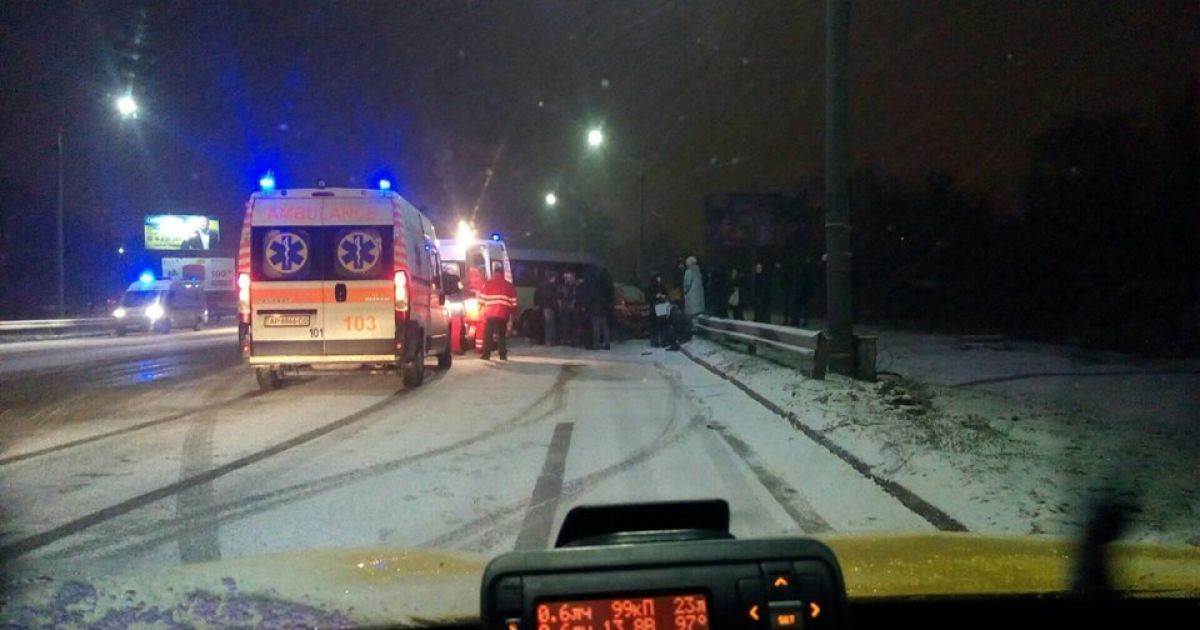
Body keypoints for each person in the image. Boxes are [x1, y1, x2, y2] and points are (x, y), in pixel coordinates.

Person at [479, 262, 517, 360]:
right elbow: (514, 303)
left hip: (489, 314)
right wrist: (512, 316)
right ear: (502, 273)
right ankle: (502, 355)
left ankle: (486, 355)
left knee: (488, 335)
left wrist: (481, 313)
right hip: (503, 314)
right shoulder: (509, 286)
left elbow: (481, 301)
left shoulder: (487, 284)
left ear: (494, 272)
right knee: (501, 336)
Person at [585, 268, 613, 350]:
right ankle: (607, 343)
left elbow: (592, 295)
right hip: (604, 305)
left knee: (596, 325)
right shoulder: (606, 282)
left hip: (596, 305)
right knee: (604, 325)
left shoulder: (595, 282)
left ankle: (596, 344)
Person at [682, 255, 705, 336]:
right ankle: (699, 330)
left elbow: (686, 285)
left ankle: (693, 331)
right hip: (699, 297)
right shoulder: (698, 271)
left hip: (691, 297)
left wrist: (684, 292)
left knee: (691, 316)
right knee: (698, 315)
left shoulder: (688, 272)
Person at [534, 271, 558, 345]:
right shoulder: (550, 286)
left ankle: (543, 340)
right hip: (549, 306)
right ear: (552, 278)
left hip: (543, 306)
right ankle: (549, 341)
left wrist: (537, 304)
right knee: (550, 324)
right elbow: (551, 296)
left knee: (544, 324)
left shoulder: (541, 285)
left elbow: (536, 295)